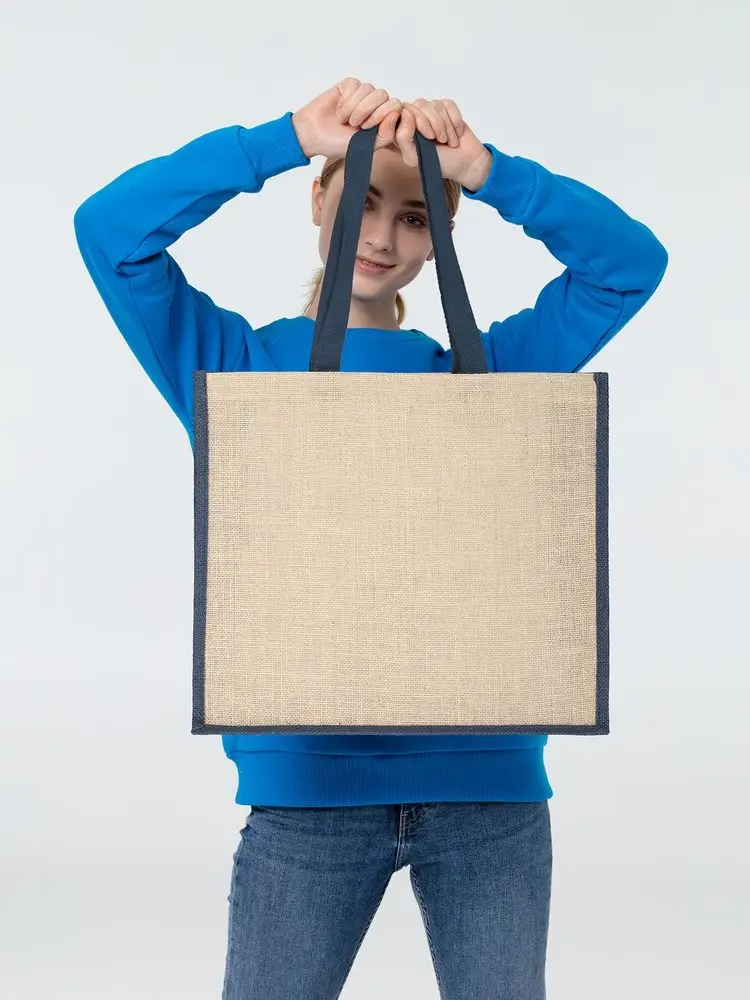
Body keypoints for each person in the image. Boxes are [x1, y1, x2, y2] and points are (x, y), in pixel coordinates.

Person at [74, 78, 668, 1000]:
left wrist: (490, 172)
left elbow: (630, 265)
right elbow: (110, 232)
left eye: (416, 216)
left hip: (490, 789)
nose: (382, 235)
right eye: (360, 200)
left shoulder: (490, 378)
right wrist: (279, 139)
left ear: (441, 238)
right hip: (308, 790)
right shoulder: (240, 372)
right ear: (318, 197)